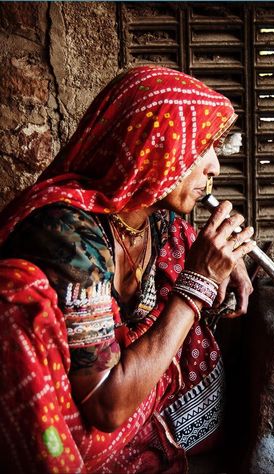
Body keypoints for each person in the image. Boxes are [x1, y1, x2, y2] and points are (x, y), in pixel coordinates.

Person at [0, 65, 256, 473]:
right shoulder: (67, 234)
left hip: (125, 385)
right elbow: (107, 405)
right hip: (92, 408)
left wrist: (232, 258)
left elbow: (187, 245)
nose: (214, 168)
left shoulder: (152, 217)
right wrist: (199, 283)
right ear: (153, 151)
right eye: (200, 149)